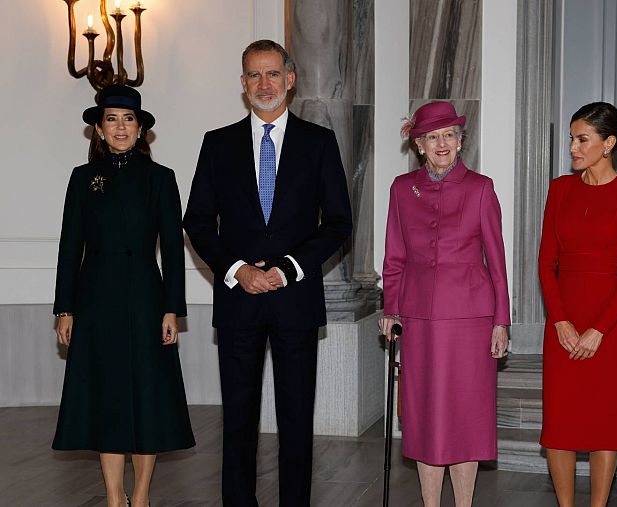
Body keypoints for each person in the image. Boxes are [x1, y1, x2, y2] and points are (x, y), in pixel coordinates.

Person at [182, 40, 352, 506]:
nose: (264, 84)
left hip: (295, 301)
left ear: (290, 79)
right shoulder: (217, 144)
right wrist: (237, 270)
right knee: (237, 420)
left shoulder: (319, 142)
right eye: (254, 76)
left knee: (297, 421)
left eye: (272, 74)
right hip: (238, 303)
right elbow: (196, 220)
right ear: (242, 85)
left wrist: (288, 269)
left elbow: (338, 222)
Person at [52, 84, 195, 507]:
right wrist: (65, 308)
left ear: (140, 129)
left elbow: (172, 249)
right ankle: (115, 498)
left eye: (128, 119)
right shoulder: (82, 179)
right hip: (95, 303)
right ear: (98, 129)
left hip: (146, 303)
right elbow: (68, 246)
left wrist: (173, 309)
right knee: (107, 399)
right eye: (111, 119)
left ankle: (144, 494)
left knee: (147, 397)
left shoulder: (161, 179)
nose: (120, 127)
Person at [379, 101, 511, 507]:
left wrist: (501, 321)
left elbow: (497, 258)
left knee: (466, 420)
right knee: (425, 420)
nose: (442, 143)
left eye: (449, 135)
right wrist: (391, 309)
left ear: (460, 141)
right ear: (419, 145)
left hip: (472, 319)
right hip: (418, 319)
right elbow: (394, 255)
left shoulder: (481, 188)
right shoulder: (402, 189)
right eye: (432, 137)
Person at [537, 102, 617, 507]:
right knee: (561, 422)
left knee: (606, 422)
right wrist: (560, 321)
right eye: (572, 138)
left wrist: (600, 329)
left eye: (582, 139)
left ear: (609, 144)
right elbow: (545, 263)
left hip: (611, 324)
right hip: (563, 320)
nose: (573, 147)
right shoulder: (559, 189)